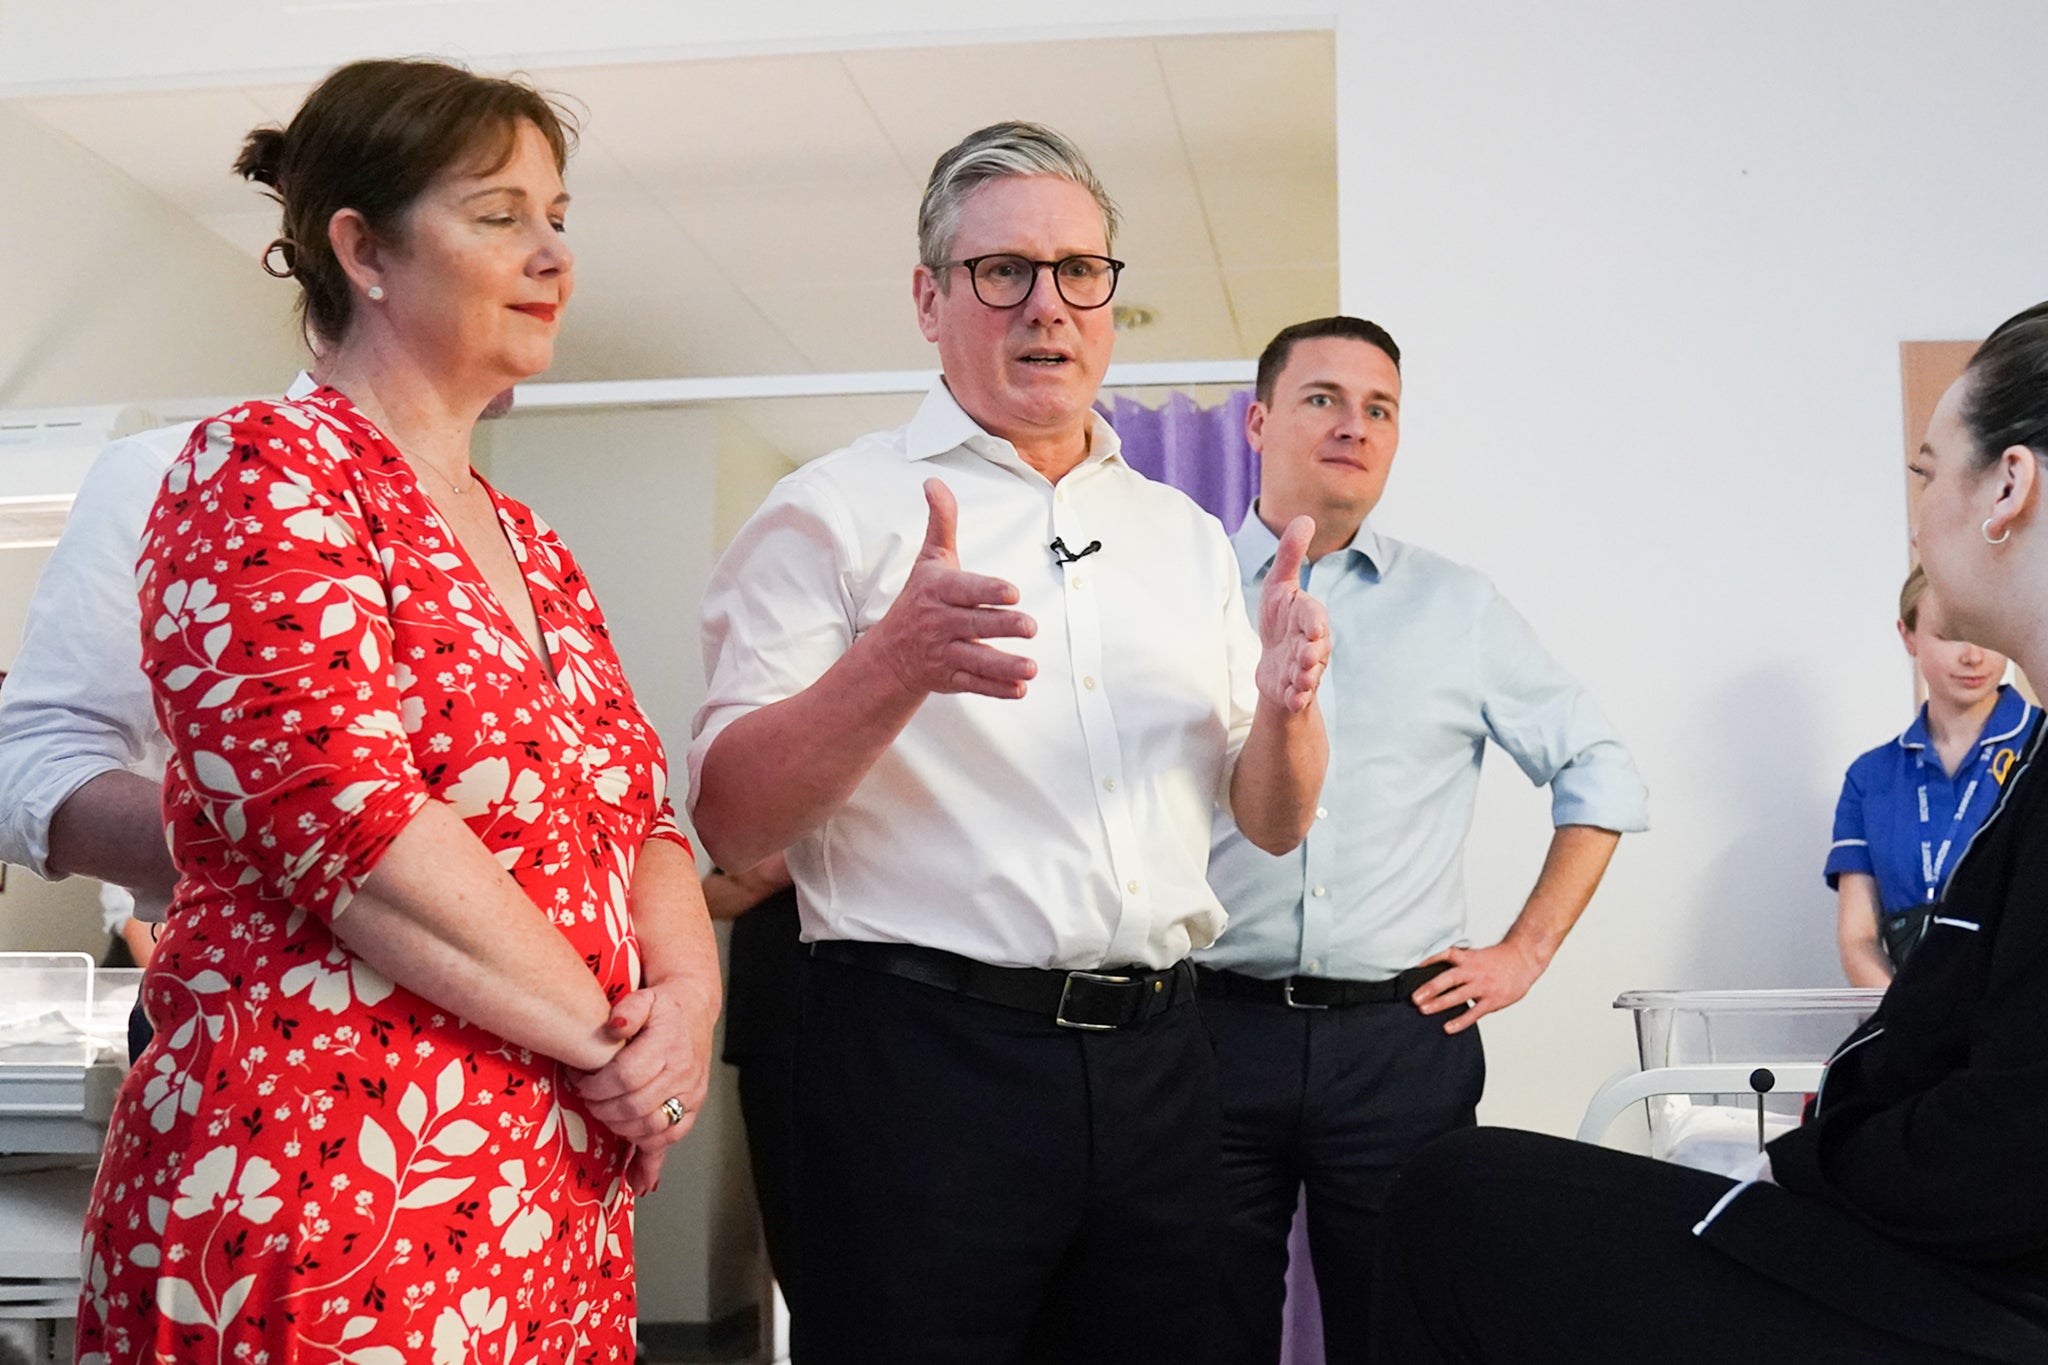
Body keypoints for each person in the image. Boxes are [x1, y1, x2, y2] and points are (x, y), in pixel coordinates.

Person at [75, 58, 719, 1364]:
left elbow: (643, 815)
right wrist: (624, 1050)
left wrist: (691, 1009)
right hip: (327, 1189)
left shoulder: (532, 545)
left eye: (559, 216)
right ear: (361, 249)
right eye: (500, 215)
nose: (552, 255)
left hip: (546, 1199)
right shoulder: (258, 471)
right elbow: (351, 832)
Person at [688, 121, 1331, 1365]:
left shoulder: (1183, 537)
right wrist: (891, 667)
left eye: (1078, 270)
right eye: (1003, 272)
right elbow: (731, 820)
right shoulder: (832, 509)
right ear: (930, 299)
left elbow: (1271, 818)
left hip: (1160, 1066)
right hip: (920, 1071)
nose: (1048, 305)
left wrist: (1290, 707)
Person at [1368, 302, 2048, 1364]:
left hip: (1983, 1293)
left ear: (2008, 486)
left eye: (1924, 474)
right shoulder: (1908, 778)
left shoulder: (1455, 605)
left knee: (1456, 1195)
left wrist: (1811, 1161)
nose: (1913, 518)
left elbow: (2005, 1146)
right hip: (1932, 1223)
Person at [1196, 316, 1647, 1362]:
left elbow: (1601, 771)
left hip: (1398, 1045)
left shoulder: (1460, 608)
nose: (1352, 425)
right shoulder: (1184, 593)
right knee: (1193, 1328)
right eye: (1321, 398)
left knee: (1407, 1329)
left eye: (1378, 408)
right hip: (1207, 1036)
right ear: (1259, 421)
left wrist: (1524, 949)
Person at [1825, 564, 2033, 985]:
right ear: (1908, 636)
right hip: (1904, 1025)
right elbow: (1858, 938)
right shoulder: (1871, 777)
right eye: (1951, 634)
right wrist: (1901, 1030)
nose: (1973, 654)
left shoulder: (2039, 747)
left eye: (1986, 631)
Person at [701, 854, 804, 1348]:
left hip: (819, 1024)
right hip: (778, 1024)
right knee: (793, 1229)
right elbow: (723, 890)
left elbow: (750, 880)